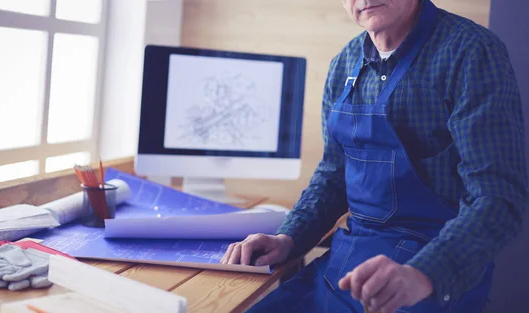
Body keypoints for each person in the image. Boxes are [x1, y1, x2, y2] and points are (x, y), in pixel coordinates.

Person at [220, 0, 527, 312]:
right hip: (345, 267)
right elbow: (333, 176)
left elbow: (499, 197)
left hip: (427, 276)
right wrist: (288, 238)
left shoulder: (471, 52)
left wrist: (423, 274)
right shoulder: (344, 63)